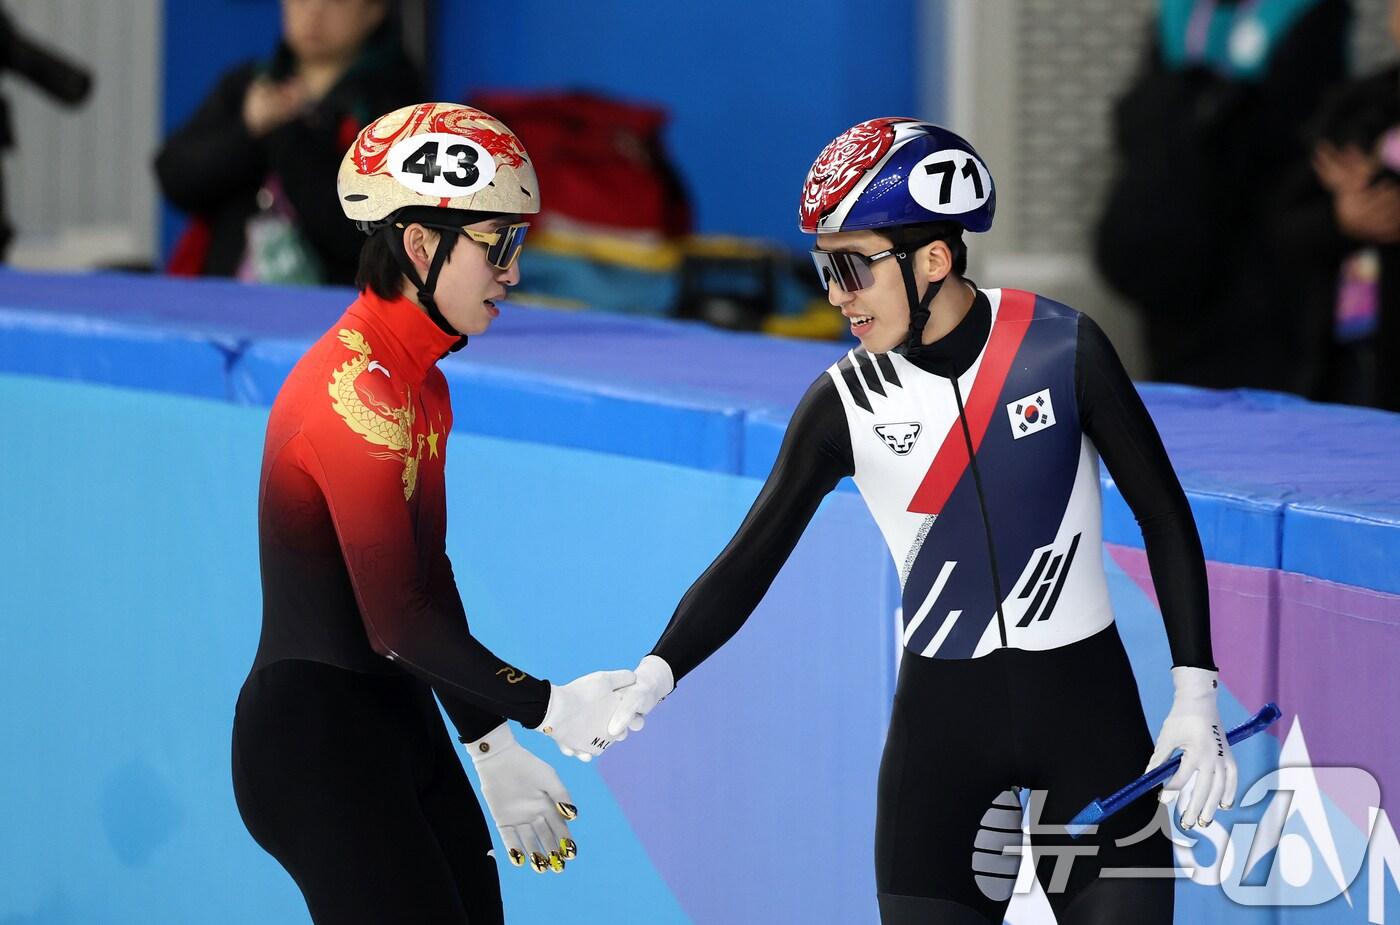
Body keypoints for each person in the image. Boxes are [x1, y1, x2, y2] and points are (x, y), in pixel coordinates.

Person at [606, 119, 1238, 924]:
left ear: (933, 259)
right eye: (822, 268)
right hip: (943, 743)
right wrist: (658, 670)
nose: (835, 296)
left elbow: (1164, 513)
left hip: (1089, 730)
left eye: (851, 268)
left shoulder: (1060, 347)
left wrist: (1195, 694)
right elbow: (751, 557)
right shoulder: (844, 402)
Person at [232, 102, 633, 924]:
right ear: (420, 246)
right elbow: (395, 622)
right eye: (499, 246)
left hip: (391, 718)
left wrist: (490, 743)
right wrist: (550, 706)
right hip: (314, 739)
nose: (512, 274)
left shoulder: (422, 385)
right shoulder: (354, 392)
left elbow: (428, 581)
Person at [1094, 0, 1349, 392]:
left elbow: (1301, 130)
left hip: (1264, 258)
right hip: (1177, 252)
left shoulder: (1307, 12)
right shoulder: (1180, 15)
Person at [155, 0, 422, 285]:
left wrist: (290, 133)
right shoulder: (251, 84)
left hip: (337, 310)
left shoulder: (398, 106)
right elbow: (174, 174)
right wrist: (247, 132)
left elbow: (366, 232)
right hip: (226, 297)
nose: (315, 10)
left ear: (374, 11)